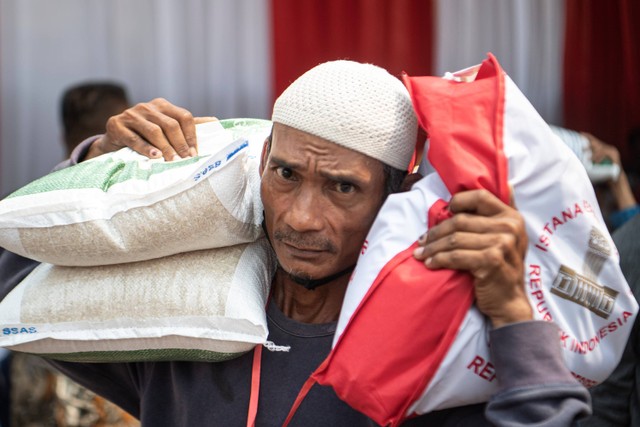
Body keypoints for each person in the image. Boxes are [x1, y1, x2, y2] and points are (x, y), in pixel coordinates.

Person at [0, 61, 591, 426]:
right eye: (286, 175)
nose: (303, 218)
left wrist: (513, 313)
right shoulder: (189, 318)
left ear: (397, 195)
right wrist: (95, 166)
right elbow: (18, 286)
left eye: (342, 187)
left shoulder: (426, 349)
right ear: (261, 164)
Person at [3, 81, 137, 427]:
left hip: (40, 368)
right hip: (112, 373)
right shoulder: (136, 200)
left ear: (65, 137)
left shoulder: (29, 202)